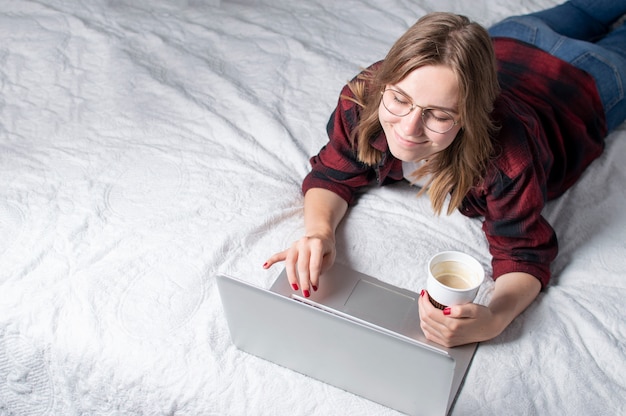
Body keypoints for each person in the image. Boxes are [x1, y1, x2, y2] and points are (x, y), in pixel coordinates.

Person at [264, 0, 626, 347]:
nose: (408, 129)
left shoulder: (507, 155)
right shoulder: (365, 96)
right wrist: (319, 232)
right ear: (386, 79)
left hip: (589, 80)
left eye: (439, 115)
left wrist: (496, 318)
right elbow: (333, 173)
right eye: (401, 99)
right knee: (583, 8)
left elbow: (525, 253)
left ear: (471, 117)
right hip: (515, 38)